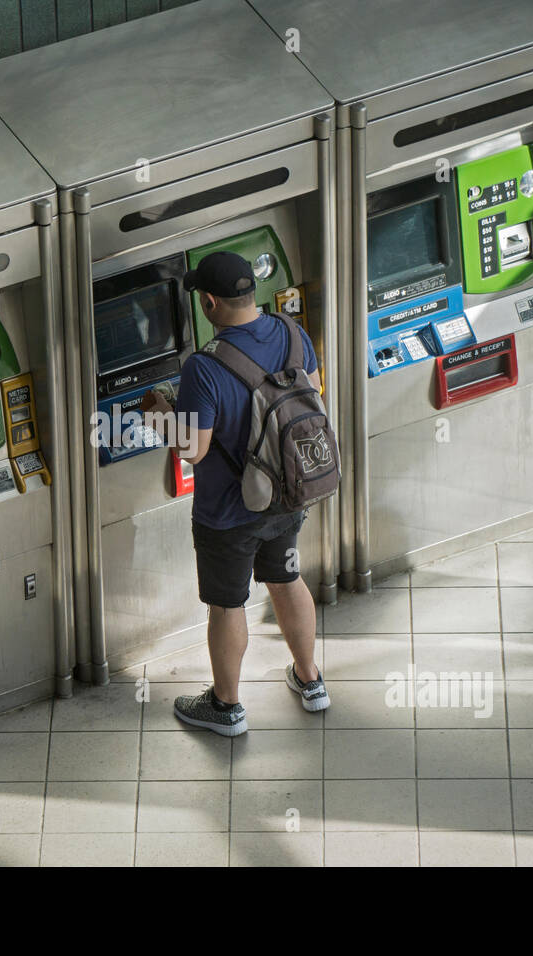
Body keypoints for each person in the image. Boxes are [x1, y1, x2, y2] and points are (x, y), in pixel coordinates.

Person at [142, 251, 329, 736]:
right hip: (288, 492)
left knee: (227, 605)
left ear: (208, 303)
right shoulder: (292, 332)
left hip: (229, 513)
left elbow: (193, 449)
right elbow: (315, 391)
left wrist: (159, 412)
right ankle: (310, 681)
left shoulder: (204, 367)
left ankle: (225, 708)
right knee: (287, 580)